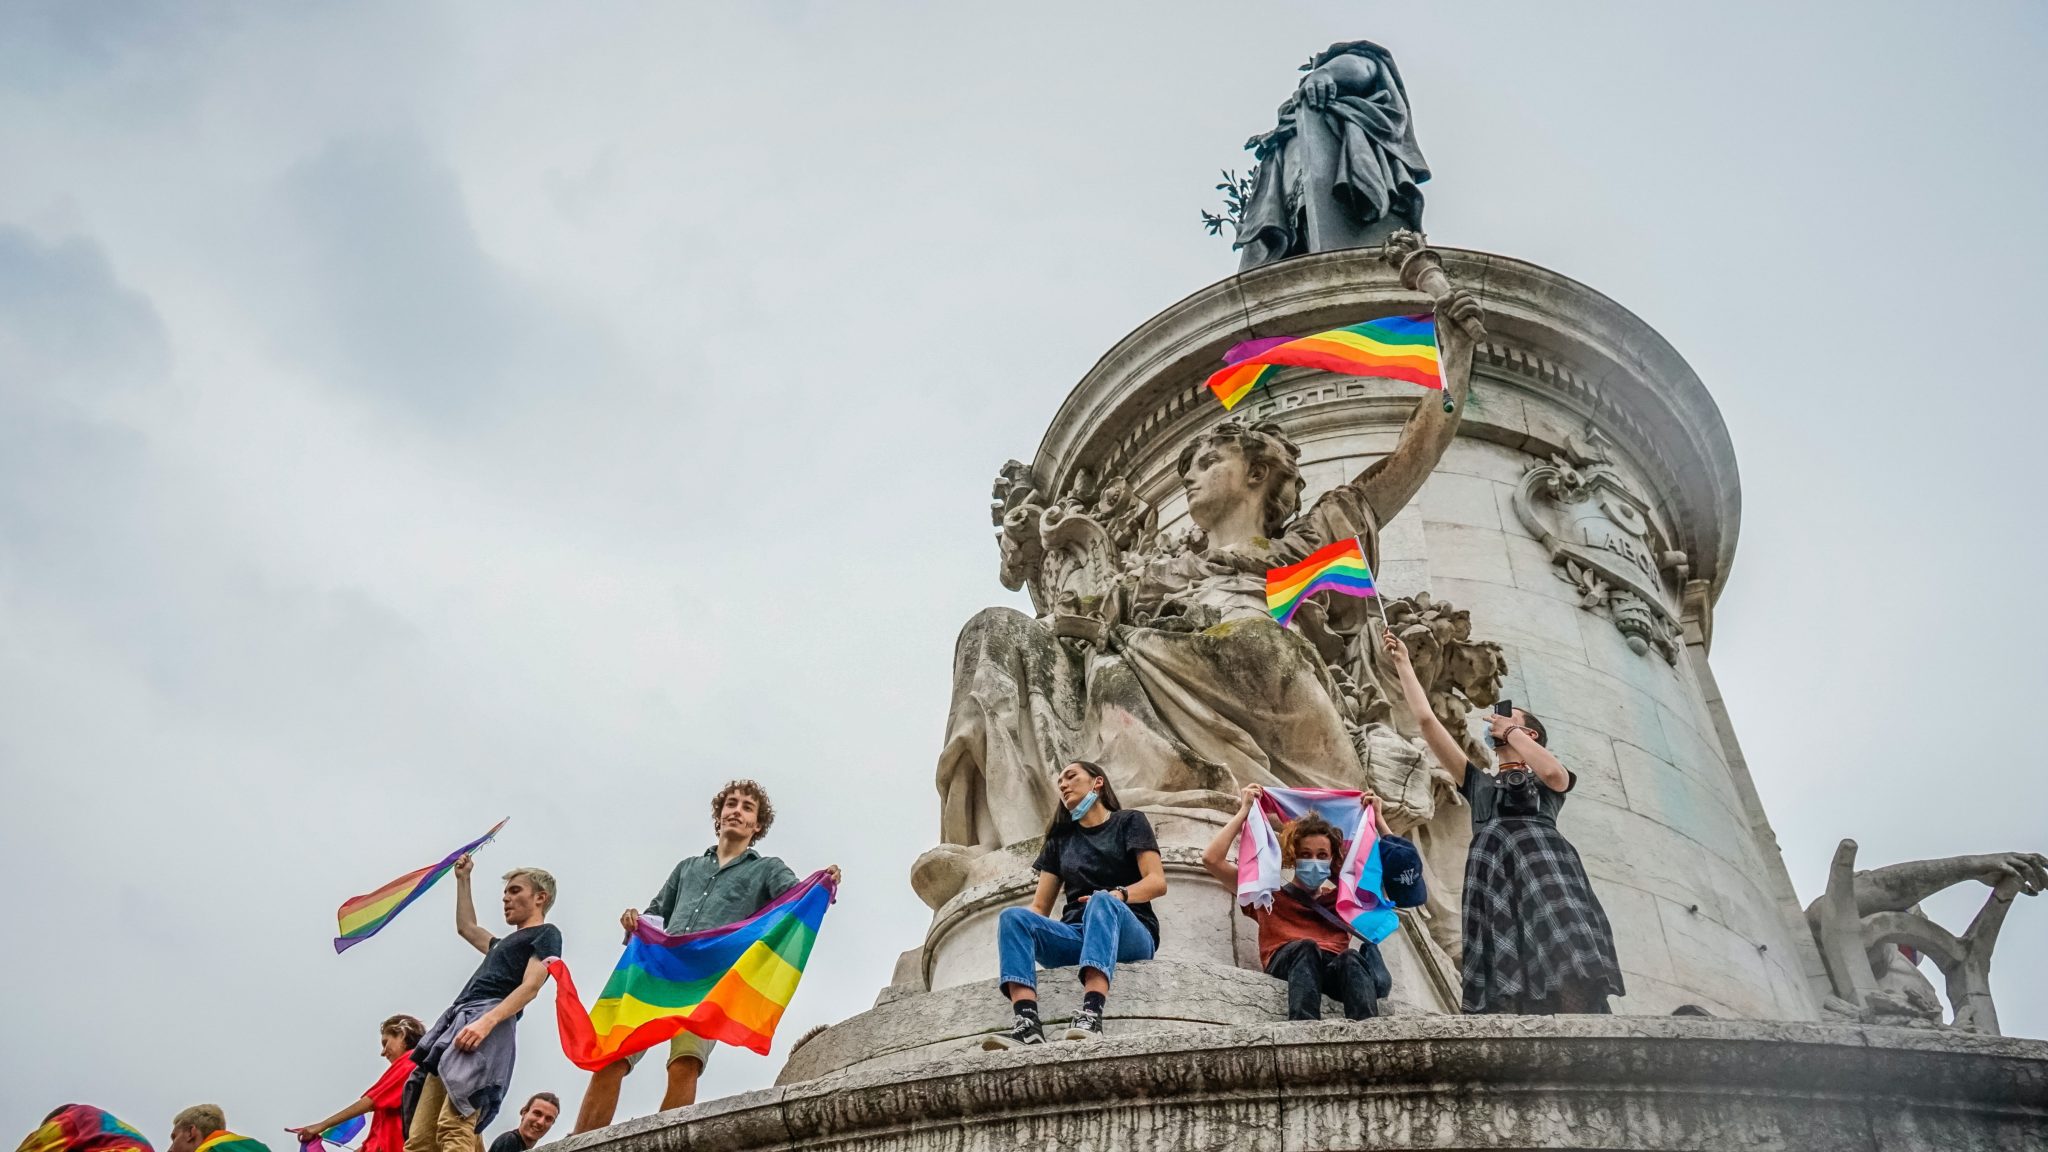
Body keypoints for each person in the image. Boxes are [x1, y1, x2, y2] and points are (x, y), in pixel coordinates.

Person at [571, 779, 840, 1133]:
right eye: (731, 803)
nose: (737, 811)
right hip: (661, 969)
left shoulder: (767, 868)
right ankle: (580, 1141)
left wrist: (824, 884)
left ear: (757, 825)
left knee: (685, 1061)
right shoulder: (687, 867)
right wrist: (634, 920)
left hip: (712, 977)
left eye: (747, 807)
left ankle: (662, 1142)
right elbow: (657, 913)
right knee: (613, 1054)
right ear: (720, 814)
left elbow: (796, 898)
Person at [1383, 628, 1624, 1013]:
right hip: (1493, 869)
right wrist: (1404, 666)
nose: (1492, 722)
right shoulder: (1478, 783)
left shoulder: (1544, 779)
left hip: (1543, 864)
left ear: (1529, 733)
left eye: (1506, 717)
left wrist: (1511, 732)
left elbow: (1557, 776)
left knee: (1562, 948)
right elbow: (1428, 723)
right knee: (1504, 960)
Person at [983, 761, 1166, 1048]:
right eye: (1060, 783)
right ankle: (1027, 1023)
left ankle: (1091, 1013)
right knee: (1012, 917)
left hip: (1130, 933)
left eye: (1071, 777)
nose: (1064, 785)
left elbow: (1157, 882)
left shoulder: (1129, 822)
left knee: (1101, 901)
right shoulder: (1060, 841)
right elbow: (1039, 908)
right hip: (1077, 937)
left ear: (1098, 782)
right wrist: (1014, 935)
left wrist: (1117, 895)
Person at [402, 859, 561, 1152]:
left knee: (455, 1122)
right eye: (505, 893)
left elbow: (531, 986)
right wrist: (463, 878)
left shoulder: (546, 933)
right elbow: (467, 927)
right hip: (455, 1025)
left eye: (515, 891)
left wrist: (487, 1022)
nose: (506, 898)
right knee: (420, 1138)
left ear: (540, 897)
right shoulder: (501, 944)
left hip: (487, 1022)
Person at [1201, 785, 1387, 1021]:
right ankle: (1304, 1026)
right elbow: (1211, 859)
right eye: (1306, 854)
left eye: (1322, 855)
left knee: (1350, 958)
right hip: (1288, 961)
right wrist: (1244, 811)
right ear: (1293, 856)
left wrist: (1378, 821)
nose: (1314, 861)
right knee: (1306, 947)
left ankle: (1369, 1031)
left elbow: (1391, 877)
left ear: (1332, 860)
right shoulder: (1268, 894)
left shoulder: (1343, 899)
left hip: (1333, 967)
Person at [289, 1015, 425, 1152]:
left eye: (385, 1043)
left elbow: (370, 1101)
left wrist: (321, 1125)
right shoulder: (390, 1107)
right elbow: (376, 1139)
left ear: (402, 1034)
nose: (383, 1053)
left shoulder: (411, 1061)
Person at [481, 1096, 556, 1152]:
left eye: (549, 1119)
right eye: (537, 1113)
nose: (541, 1122)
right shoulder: (510, 1140)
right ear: (524, 1113)